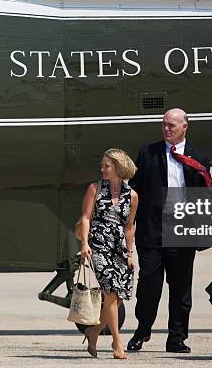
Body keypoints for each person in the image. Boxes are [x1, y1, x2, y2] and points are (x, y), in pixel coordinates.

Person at [127, 108, 212, 354]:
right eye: (164, 124)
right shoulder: (148, 152)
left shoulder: (199, 156)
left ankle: (176, 338)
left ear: (185, 127)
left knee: (180, 288)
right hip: (152, 230)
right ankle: (142, 331)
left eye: (172, 125)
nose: (167, 128)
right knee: (149, 284)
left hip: (183, 230)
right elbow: (135, 188)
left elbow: (206, 195)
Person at [78, 148, 138, 359]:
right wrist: (85, 243)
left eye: (107, 165)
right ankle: (117, 342)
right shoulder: (95, 188)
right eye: (102, 165)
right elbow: (85, 218)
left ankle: (93, 331)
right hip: (98, 246)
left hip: (119, 248)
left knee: (118, 297)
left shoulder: (132, 195)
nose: (102, 169)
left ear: (119, 168)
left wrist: (130, 254)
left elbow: (129, 226)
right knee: (111, 293)